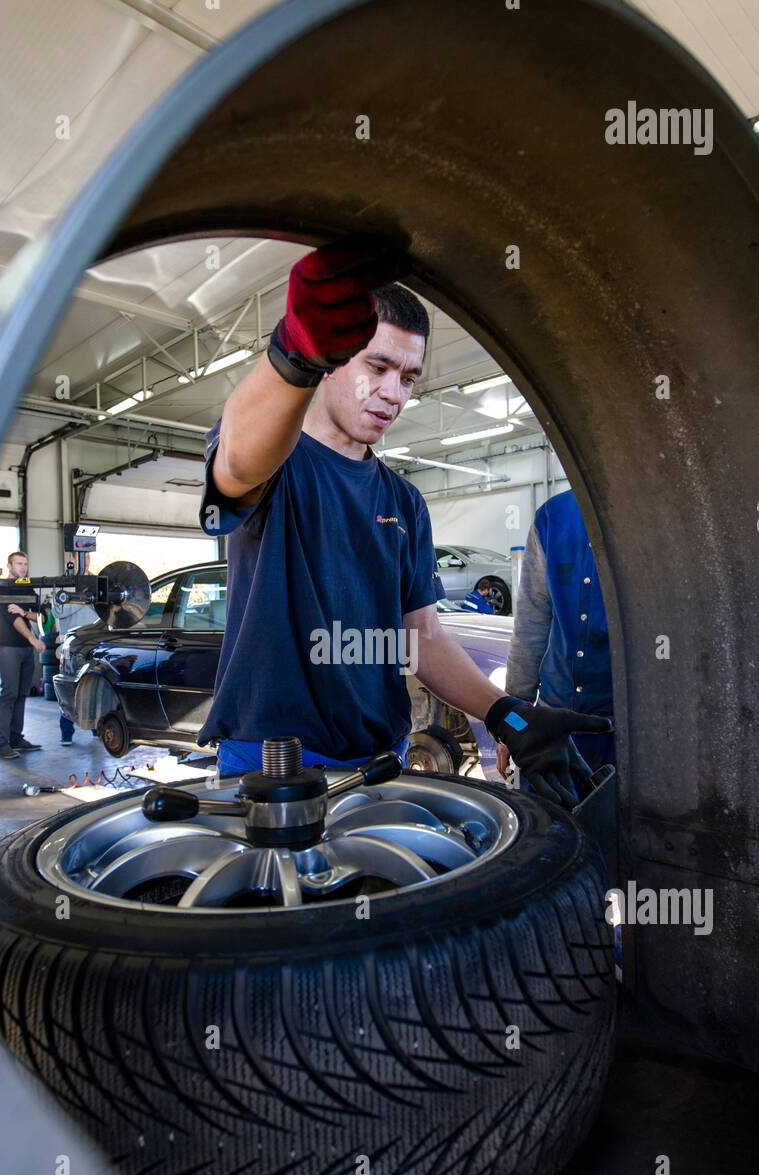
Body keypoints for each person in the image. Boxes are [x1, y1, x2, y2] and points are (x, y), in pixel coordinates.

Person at [197, 237, 610, 807]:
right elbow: (239, 460)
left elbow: (423, 637)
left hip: (379, 762)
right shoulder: (279, 462)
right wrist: (291, 355)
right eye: (379, 366)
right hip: (270, 760)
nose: (393, 394)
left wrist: (506, 712)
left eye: (410, 378)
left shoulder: (404, 501)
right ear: (334, 357)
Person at [499, 487, 614, 786]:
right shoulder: (550, 518)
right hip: (551, 725)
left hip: (620, 730)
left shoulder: (653, 517)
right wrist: (511, 726)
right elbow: (530, 624)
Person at [0, 550, 45, 759]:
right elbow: (11, 619)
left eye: (25, 564)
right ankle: (2, 744)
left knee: (22, 694)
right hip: (8, 649)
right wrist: (33, 639)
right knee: (9, 694)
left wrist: (24, 612)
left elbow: (41, 616)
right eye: (19, 564)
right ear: (9, 565)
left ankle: (16, 738)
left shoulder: (28, 588)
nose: (23, 567)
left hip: (25, 650)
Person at [49, 552, 101, 744]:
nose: (85, 561)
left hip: (96, 644)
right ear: (72, 560)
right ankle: (66, 733)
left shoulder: (98, 581)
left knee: (96, 687)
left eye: (87, 557)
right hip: (72, 645)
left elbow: (104, 609)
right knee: (71, 689)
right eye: (80, 557)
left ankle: (97, 728)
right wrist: (84, 597)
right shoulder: (63, 583)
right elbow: (58, 610)